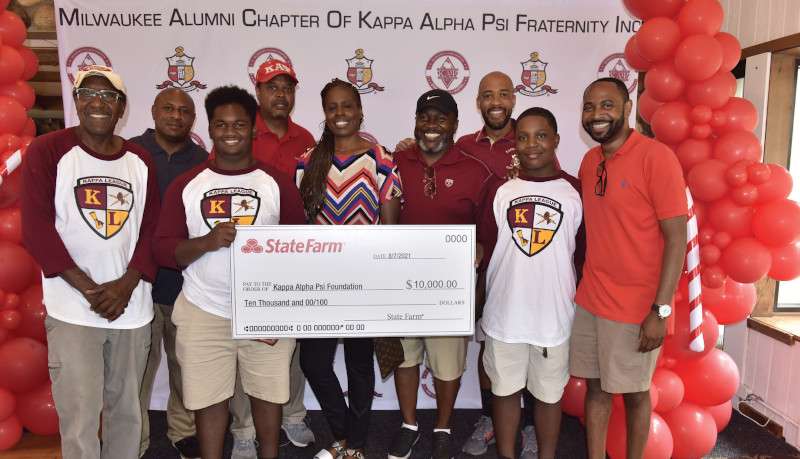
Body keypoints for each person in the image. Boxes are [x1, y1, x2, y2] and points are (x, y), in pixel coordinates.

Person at [153, 85, 305, 459]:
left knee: (267, 395)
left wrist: (278, 304)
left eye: (239, 124)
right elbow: (162, 249)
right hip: (204, 309)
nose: (230, 132)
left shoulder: (276, 183)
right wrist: (206, 242)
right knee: (209, 399)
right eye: (221, 124)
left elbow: (299, 247)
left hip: (263, 310)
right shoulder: (188, 184)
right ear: (209, 129)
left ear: (253, 128)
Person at [20, 65, 160, 459]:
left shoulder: (140, 159)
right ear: (77, 101)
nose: (98, 102)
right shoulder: (48, 151)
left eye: (109, 96)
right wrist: (90, 290)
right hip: (73, 309)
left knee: (127, 414)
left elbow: (151, 229)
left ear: (122, 108)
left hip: (131, 309)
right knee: (79, 417)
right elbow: (36, 230)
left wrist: (125, 287)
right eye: (89, 94)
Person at [571, 77, 687, 459]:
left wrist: (661, 311)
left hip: (637, 307)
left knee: (636, 393)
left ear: (627, 108)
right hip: (591, 299)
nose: (597, 114)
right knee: (596, 388)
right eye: (589, 106)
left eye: (607, 105)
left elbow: (676, 238)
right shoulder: (590, 161)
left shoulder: (657, 158)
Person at [297, 78, 402, 459]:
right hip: (320, 280)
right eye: (332, 107)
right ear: (324, 113)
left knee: (359, 362)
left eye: (347, 105)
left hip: (365, 278)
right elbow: (302, 226)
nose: (340, 113)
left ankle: (355, 445)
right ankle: (343, 434)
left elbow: (390, 227)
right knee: (313, 361)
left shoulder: (381, 159)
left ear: (360, 110)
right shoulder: (307, 161)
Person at [388, 89, 491, 459]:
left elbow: (486, 235)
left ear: (455, 124)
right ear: (415, 121)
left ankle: (443, 427)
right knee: (405, 358)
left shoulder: (476, 172)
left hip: (449, 291)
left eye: (440, 118)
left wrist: (478, 263)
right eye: (424, 117)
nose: (431, 125)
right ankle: (408, 425)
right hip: (400, 284)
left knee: (447, 366)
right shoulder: (394, 163)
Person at [478, 107, 584, 459]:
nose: (531, 144)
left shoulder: (575, 191)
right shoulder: (499, 189)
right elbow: (484, 249)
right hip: (505, 314)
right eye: (522, 137)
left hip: (553, 317)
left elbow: (583, 255)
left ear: (556, 140)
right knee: (504, 391)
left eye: (541, 136)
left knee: (549, 396)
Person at [133, 88, 207, 459]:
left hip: (186, 284)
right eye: (168, 108)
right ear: (153, 111)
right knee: (137, 371)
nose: (176, 116)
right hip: (136, 285)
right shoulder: (130, 152)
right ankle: (135, 437)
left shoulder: (204, 162)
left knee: (185, 367)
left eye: (184, 111)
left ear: (193, 119)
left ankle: (184, 430)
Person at [251, 58, 316, 447]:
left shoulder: (306, 138)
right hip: (247, 257)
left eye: (287, 88)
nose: (280, 94)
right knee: (249, 343)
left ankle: (293, 414)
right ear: (258, 91)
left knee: (291, 342)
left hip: (292, 257)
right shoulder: (242, 131)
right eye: (272, 87)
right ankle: (246, 428)